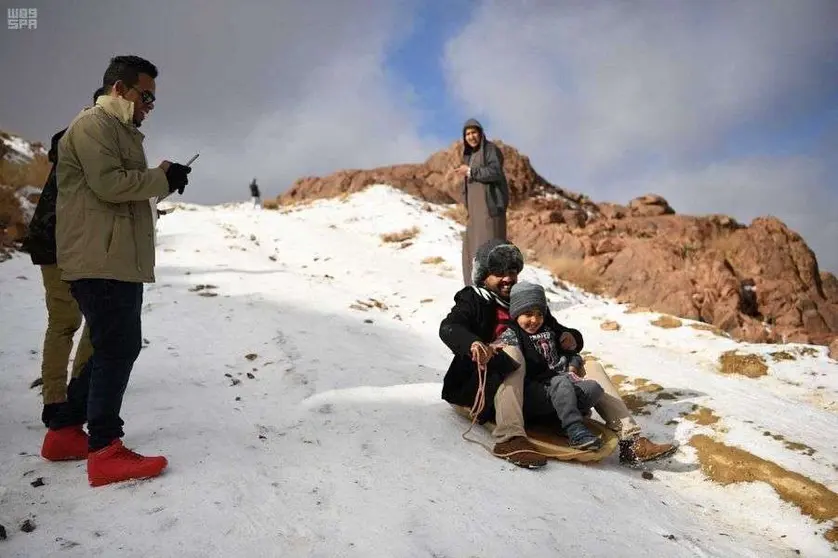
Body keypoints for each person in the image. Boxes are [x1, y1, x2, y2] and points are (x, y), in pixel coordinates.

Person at [41, 55, 192, 488]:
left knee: (111, 345)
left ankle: (64, 432)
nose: (149, 105)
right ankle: (105, 450)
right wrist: (159, 179)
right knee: (117, 348)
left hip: (114, 258)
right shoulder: (92, 126)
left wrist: (163, 179)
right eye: (145, 96)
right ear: (120, 89)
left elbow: (119, 192)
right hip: (100, 260)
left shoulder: (120, 131)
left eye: (153, 100)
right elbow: (110, 184)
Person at [439, 238, 678, 468]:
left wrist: (571, 337)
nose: (507, 278)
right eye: (499, 272)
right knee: (511, 351)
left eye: (512, 271)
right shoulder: (473, 299)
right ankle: (509, 438)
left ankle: (631, 440)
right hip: (487, 388)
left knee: (591, 367)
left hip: (538, 388)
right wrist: (473, 344)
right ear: (483, 275)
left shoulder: (524, 301)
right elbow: (450, 327)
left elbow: (555, 331)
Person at [21, 86, 104, 427]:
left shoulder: (72, 137)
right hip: (69, 242)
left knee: (66, 321)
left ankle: (61, 397)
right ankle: (71, 395)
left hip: (52, 240)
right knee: (88, 320)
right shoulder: (95, 139)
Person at [495, 281, 604, 450]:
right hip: (533, 392)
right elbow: (501, 351)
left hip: (559, 387)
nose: (534, 320)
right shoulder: (512, 334)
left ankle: (560, 419)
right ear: (516, 314)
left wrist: (573, 366)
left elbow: (570, 354)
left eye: (539, 314)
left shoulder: (549, 331)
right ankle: (574, 430)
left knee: (594, 388)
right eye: (528, 314)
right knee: (561, 383)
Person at [454, 119, 509, 287]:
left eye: (474, 132)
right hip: (474, 215)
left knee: (489, 250)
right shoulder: (469, 156)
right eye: (467, 134)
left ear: (480, 133)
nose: (471, 137)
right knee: (471, 253)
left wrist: (470, 171)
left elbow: (495, 172)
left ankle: (494, 293)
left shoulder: (490, 150)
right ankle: (475, 292)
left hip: (489, 211)